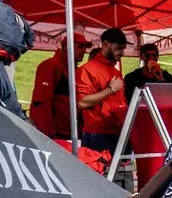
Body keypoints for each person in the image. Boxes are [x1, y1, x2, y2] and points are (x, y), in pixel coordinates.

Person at [75, 27, 129, 158]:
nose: (122, 52)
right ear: (105, 44)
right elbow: (82, 102)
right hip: (97, 134)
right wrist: (110, 90)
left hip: (118, 132)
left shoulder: (115, 71)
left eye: (123, 48)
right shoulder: (87, 69)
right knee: (96, 175)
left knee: (119, 176)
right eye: (119, 48)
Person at [29, 29, 86, 138]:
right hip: (56, 134)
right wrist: (48, 135)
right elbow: (41, 103)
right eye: (80, 46)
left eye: (85, 47)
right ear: (67, 46)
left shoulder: (74, 70)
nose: (84, 50)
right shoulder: (51, 66)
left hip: (70, 133)